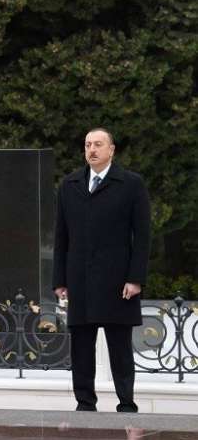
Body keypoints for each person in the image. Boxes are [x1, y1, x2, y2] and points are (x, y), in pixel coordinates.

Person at [53, 128, 151, 412]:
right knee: (81, 347)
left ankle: (126, 403)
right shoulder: (70, 184)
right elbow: (61, 237)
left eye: (98, 144)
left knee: (119, 347)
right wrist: (59, 280)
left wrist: (135, 278)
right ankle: (85, 403)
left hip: (118, 281)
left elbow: (142, 236)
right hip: (80, 279)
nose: (92, 150)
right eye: (87, 145)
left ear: (112, 150)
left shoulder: (131, 184)